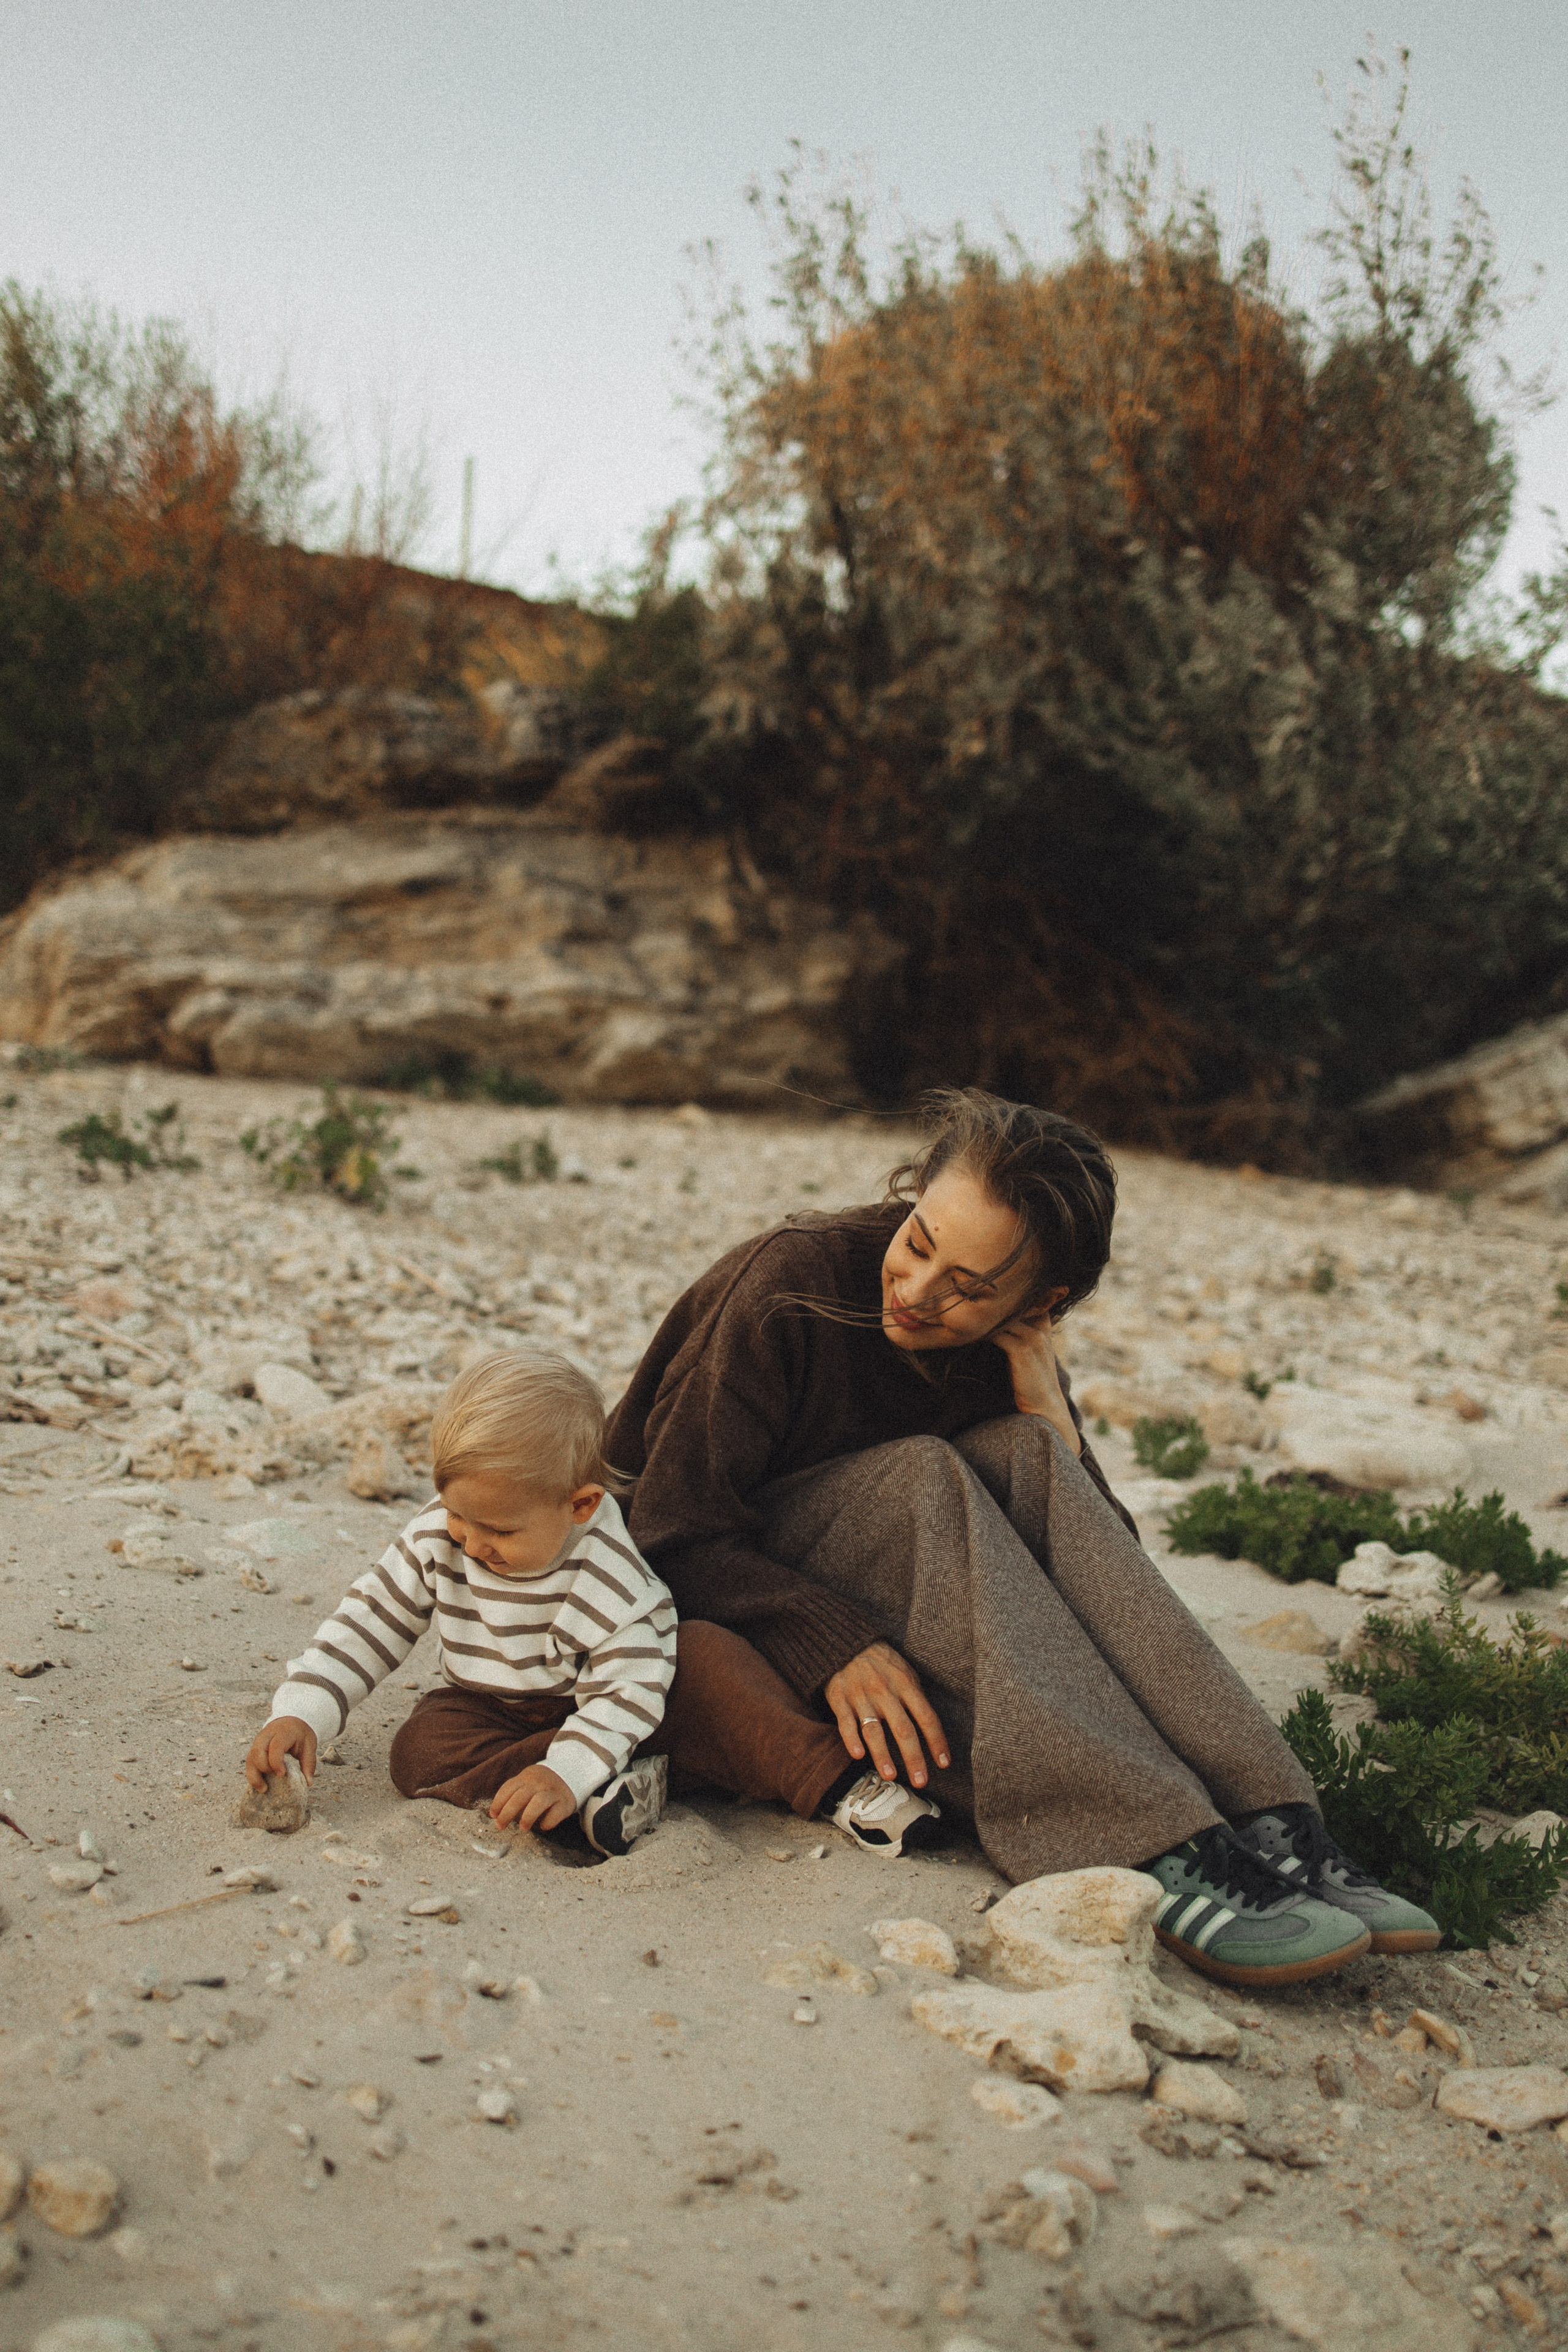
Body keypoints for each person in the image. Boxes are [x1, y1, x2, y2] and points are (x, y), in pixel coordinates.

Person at [606, 1087, 1441, 1986]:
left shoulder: (1012, 1347)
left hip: (892, 1564)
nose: (918, 1292)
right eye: (918, 1242)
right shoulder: (788, 1285)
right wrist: (827, 1642)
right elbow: (667, 1528)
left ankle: (1274, 1817)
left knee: (1027, 1457)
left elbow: (1104, 1568)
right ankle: (1147, 1841)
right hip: (723, 1584)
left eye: (966, 1288)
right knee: (928, 1472)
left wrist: (1050, 1414)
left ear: (1041, 1300)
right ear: (914, 1192)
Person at [242, 1348, 922, 1856]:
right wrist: (303, 1709)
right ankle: (611, 1788)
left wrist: (567, 1762)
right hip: (498, 1709)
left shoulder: (609, 1572)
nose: (472, 1544)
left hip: (633, 1700)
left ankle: (837, 1785)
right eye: (458, 1517)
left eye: (500, 1530)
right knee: (419, 1751)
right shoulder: (438, 1538)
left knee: (713, 1662)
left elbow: (630, 1686)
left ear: (580, 1506)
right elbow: (369, 1623)